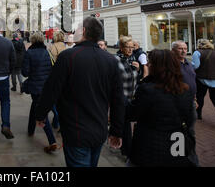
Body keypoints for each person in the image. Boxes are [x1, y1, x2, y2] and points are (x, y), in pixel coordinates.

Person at [35, 17, 125, 167]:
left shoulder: (67, 57)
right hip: (99, 131)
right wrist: (116, 131)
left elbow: (51, 90)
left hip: (76, 132)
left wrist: (40, 114)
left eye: (76, 29)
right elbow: (118, 99)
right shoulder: (110, 60)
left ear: (83, 31)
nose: (73, 32)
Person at [126, 49, 195, 167]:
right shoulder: (185, 90)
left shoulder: (148, 90)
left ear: (158, 67)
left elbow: (132, 114)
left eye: (150, 62)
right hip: (177, 145)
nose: (147, 64)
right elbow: (189, 119)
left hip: (150, 147)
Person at [22, 32, 59, 153]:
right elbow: (53, 70)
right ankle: (30, 129)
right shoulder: (47, 52)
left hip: (35, 87)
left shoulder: (29, 53)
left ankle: (52, 141)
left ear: (32, 40)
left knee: (41, 112)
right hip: (46, 87)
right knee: (36, 106)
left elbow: (25, 73)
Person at [192, 39, 215, 130]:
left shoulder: (197, 53)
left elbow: (196, 66)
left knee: (200, 96)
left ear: (199, 44)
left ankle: (198, 114)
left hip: (202, 78)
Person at [115, 36, 140, 158]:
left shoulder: (133, 58)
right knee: (125, 125)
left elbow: (136, 77)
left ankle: (120, 142)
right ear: (121, 47)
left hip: (131, 98)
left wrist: (138, 69)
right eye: (127, 47)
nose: (130, 50)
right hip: (120, 98)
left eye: (132, 47)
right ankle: (127, 150)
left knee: (125, 123)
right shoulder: (115, 60)